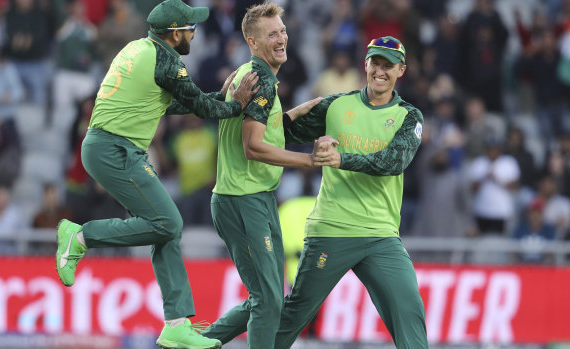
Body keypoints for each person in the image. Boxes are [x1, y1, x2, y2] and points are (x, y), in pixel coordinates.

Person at [54, 0, 260, 348]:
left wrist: (221, 96)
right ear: (174, 32)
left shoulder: (138, 48)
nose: (194, 32)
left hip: (108, 145)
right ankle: (81, 237)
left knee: (164, 232)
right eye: (190, 27)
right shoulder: (166, 59)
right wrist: (236, 102)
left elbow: (174, 101)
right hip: (115, 149)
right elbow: (202, 107)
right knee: (169, 223)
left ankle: (176, 325)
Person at [274, 36, 429, 348]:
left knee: (409, 311)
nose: (381, 70)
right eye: (376, 62)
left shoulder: (409, 117)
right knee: (293, 316)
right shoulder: (335, 105)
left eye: (389, 65)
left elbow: (392, 163)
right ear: (366, 64)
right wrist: (291, 112)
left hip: (381, 234)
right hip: (332, 229)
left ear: (402, 70)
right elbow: (280, 133)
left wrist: (340, 158)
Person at [200, 3, 331, 348]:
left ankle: (189, 345)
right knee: (269, 299)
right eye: (272, 34)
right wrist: (311, 161)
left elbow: (259, 131)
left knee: (265, 297)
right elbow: (253, 147)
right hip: (245, 199)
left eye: (283, 31)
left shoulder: (251, 74)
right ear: (252, 41)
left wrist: (288, 118)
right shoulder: (261, 82)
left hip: (248, 196)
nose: (282, 38)